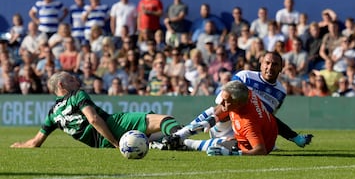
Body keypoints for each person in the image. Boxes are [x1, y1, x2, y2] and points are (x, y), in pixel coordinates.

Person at [167, 52, 313, 151]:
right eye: (267, 63)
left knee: (243, 144)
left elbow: (269, 118)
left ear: (281, 68)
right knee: (218, 109)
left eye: (275, 64)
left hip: (246, 128)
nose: (270, 67)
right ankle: (181, 135)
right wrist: (213, 120)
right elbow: (222, 102)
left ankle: (185, 144)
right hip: (224, 120)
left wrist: (294, 137)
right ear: (261, 64)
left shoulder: (281, 92)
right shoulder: (245, 77)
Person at [11, 71, 188, 148]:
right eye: (72, 80)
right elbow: (94, 119)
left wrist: (20, 146)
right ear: (61, 85)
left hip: (98, 144)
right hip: (112, 126)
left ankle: (168, 143)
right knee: (165, 119)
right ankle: (186, 137)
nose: (77, 82)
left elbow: (35, 142)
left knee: (158, 136)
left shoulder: (52, 114)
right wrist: (115, 142)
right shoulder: (77, 95)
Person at [189, 81, 278, 155]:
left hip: (256, 142)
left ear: (237, 103)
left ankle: (186, 143)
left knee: (216, 148)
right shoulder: (246, 93)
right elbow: (223, 107)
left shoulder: (248, 124)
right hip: (260, 132)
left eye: (226, 101)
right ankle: (183, 137)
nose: (222, 103)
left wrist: (232, 154)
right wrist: (210, 121)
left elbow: (261, 150)